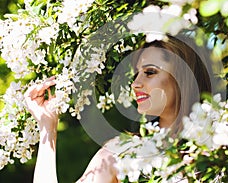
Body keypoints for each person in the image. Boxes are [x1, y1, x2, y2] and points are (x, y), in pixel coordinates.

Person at [24, 35, 212, 183]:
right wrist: (47, 129)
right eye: (137, 73)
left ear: (183, 78)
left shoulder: (225, 145)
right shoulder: (118, 153)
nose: (136, 83)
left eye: (150, 72)